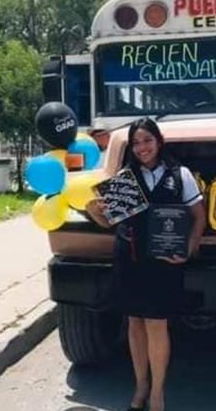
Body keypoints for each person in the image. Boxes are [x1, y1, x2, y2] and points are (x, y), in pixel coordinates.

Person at [86, 117, 206, 411]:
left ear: (159, 141)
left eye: (147, 141)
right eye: (136, 142)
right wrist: (94, 211)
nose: (142, 148)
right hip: (129, 258)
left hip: (164, 262)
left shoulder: (180, 176)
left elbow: (199, 218)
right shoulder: (124, 179)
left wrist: (187, 251)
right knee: (135, 323)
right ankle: (140, 386)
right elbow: (106, 222)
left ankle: (157, 393)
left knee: (157, 324)